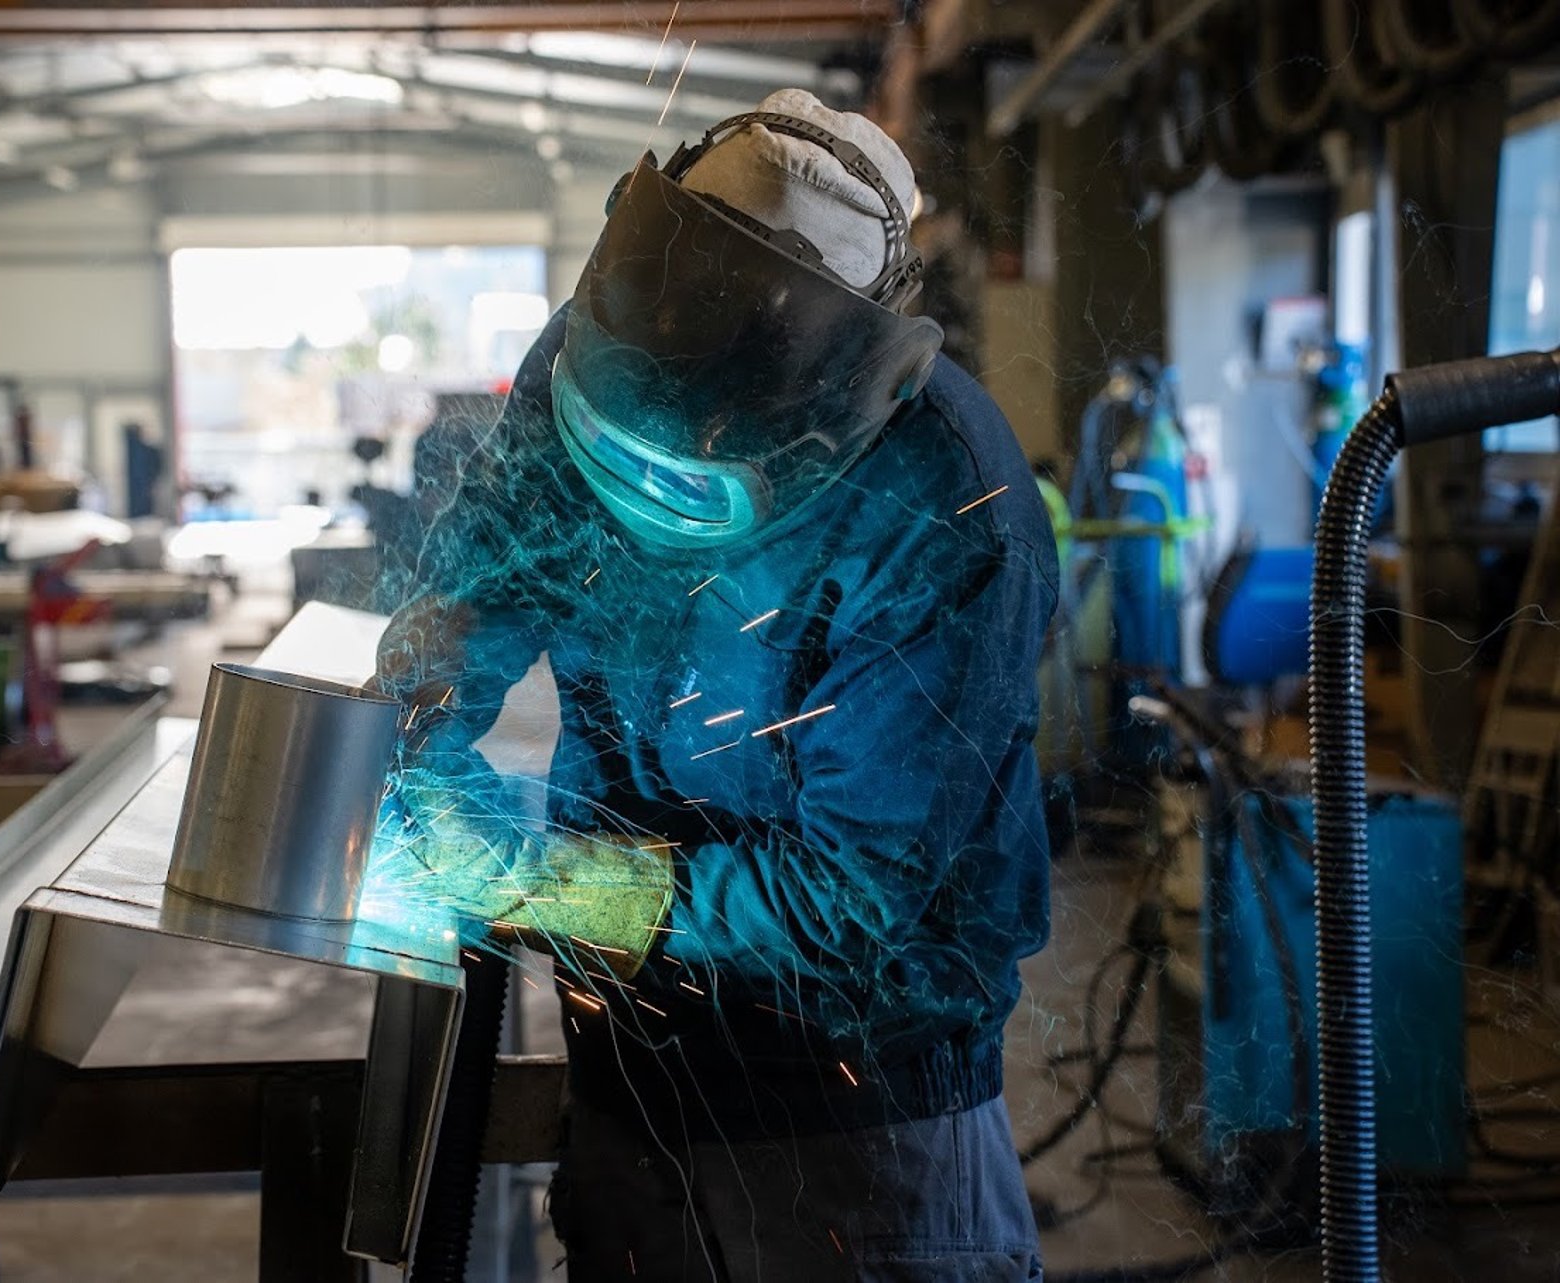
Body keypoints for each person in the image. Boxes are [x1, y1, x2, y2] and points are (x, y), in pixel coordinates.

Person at [375, 89, 1055, 1282]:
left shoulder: (943, 503)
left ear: (840, 376)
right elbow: (494, 568)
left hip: (862, 1121)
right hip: (628, 1079)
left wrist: (537, 876)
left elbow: (849, 898)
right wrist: (425, 716)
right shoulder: (593, 345)